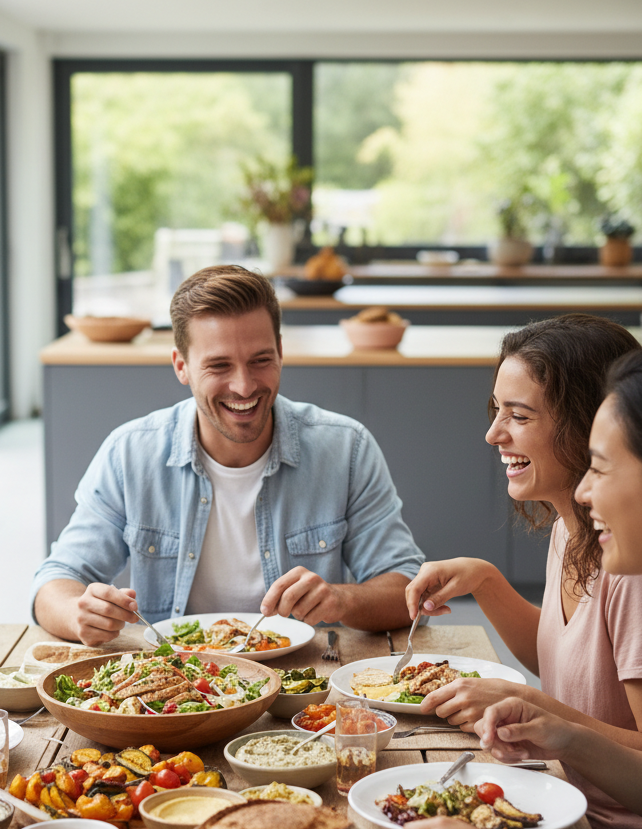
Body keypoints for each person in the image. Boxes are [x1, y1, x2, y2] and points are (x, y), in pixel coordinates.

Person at [33, 265, 425, 645]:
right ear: (182, 366)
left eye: (260, 360)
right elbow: (55, 582)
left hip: (303, 679)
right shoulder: (130, 453)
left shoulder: (346, 449)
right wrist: (78, 613)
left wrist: (342, 599)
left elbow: (408, 588)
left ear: (280, 352)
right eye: (219, 365)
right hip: (176, 682)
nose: (244, 386)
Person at [401, 351, 642, 829]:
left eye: (519, 414)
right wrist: (487, 581)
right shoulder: (575, 534)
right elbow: (567, 658)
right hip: (579, 808)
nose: (493, 434)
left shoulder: (631, 575)